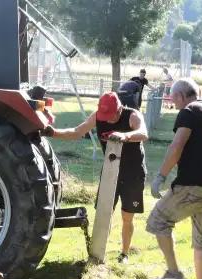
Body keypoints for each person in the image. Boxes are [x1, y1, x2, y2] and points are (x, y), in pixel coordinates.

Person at [44, 92, 149, 263]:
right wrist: (53, 132)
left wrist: (126, 136)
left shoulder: (132, 116)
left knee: (127, 216)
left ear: (119, 109)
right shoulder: (98, 117)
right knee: (103, 212)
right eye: (103, 115)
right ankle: (98, 254)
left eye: (110, 116)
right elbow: (77, 131)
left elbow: (143, 133)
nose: (106, 120)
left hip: (133, 173)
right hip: (110, 170)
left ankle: (124, 254)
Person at [146, 78, 202, 279]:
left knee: (158, 220)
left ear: (182, 96)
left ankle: (174, 273)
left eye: (174, 99)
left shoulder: (189, 112)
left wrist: (160, 177)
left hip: (194, 186)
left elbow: (177, 145)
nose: (173, 104)